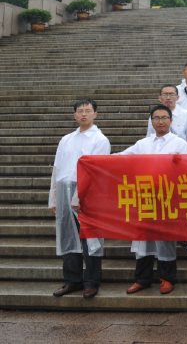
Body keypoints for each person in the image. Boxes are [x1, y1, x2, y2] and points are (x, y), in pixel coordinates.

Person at [121, 105, 187, 295]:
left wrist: (181, 162)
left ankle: (167, 279)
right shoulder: (142, 144)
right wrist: (95, 159)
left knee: (165, 239)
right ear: (151, 121)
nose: (160, 121)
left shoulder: (180, 144)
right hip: (145, 196)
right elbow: (121, 159)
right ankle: (142, 279)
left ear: (171, 121)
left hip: (168, 197)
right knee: (143, 239)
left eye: (164, 118)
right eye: (156, 118)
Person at [49, 99, 110, 299]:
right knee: (68, 237)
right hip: (64, 190)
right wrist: (54, 197)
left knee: (90, 239)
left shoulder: (100, 140)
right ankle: (72, 280)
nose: (84, 114)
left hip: (88, 194)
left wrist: (79, 196)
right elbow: (57, 168)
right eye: (80, 111)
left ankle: (92, 282)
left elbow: (95, 171)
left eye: (88, 110)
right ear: (74, 115)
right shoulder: (66, 139)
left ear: (95, 114)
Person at [146, 85, 187, 149]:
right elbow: (150, 136)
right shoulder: (154, 115)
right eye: (164, 94)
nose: (168, 98)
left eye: (172, 94)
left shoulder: (186, 115)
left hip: (179, 151)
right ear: (159, 98)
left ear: (177, 97)